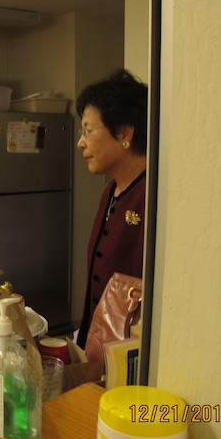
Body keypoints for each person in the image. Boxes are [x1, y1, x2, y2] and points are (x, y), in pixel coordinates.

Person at [75, 69, 148, 349]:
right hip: (99, 347)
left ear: (125, 133)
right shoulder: (111, 189)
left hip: (130, 355)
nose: (81, 142)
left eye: (88, 130)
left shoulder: (151, 195)